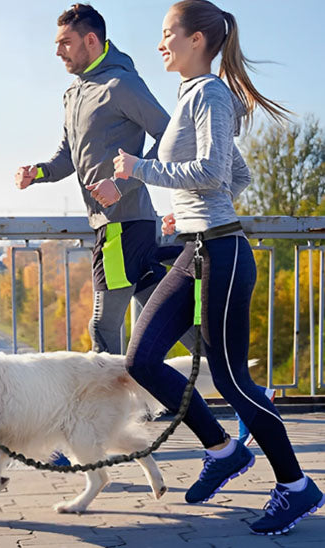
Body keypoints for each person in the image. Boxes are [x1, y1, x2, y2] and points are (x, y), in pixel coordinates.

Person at [90, 0, 324, 536]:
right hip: (197, 248)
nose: (160, 44)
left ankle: (295, 486)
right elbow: (234, 177)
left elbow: (213, 172)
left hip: (221, 254)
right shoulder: (193, 95)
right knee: (142, 359)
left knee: (231, 380)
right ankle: (221, 450)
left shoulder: (212, 94)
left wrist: (140, 169)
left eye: (167, 33)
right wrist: (186, 210)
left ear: (197, 39)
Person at [15, 3, 173, 355]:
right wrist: (37, 173)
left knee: (102, 326)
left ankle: (115, 411)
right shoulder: (74, 94)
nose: (57, 51)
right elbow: (68, 156)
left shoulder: (121, 84)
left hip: (123, 225)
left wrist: (121, 185)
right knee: (165, 315)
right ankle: (244, 385)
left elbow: (171, 137)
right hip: (119, 225)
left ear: (90, 40)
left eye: (65, 42)